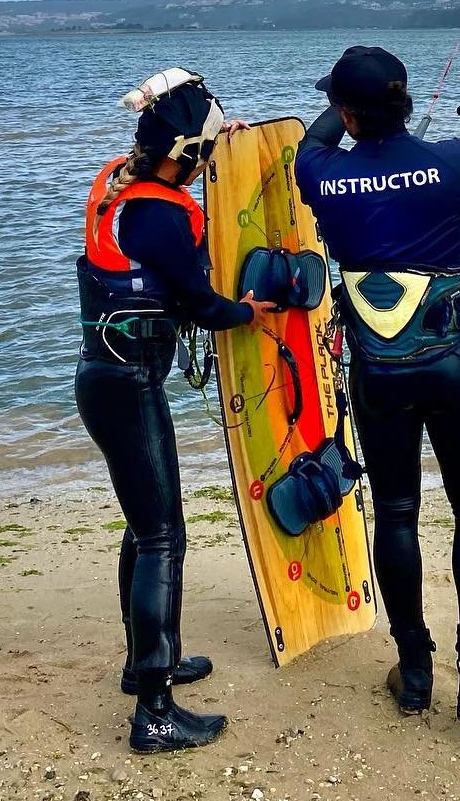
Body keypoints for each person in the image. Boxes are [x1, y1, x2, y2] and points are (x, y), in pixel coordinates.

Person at [295, 45, 460, 726]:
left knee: (397, 512)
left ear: (344, 110)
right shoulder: (458, 158)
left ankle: (417, 672)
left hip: (379, 372)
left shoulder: (320, 169)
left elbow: (314, 139)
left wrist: (342, 114)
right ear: (406, 101)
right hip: (453, 359)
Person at [75, 67, 278, 755]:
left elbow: (173, 161)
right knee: (164, 537)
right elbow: (201, 305)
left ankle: (144, 666)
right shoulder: (161, 214)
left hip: (104, 376)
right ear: (185, 153)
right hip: (129, 384)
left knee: (143, 528)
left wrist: (229, 142)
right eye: (204, 154)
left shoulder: (119, 181)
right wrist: (248, 312)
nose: (204, 168)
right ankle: (155, 712)